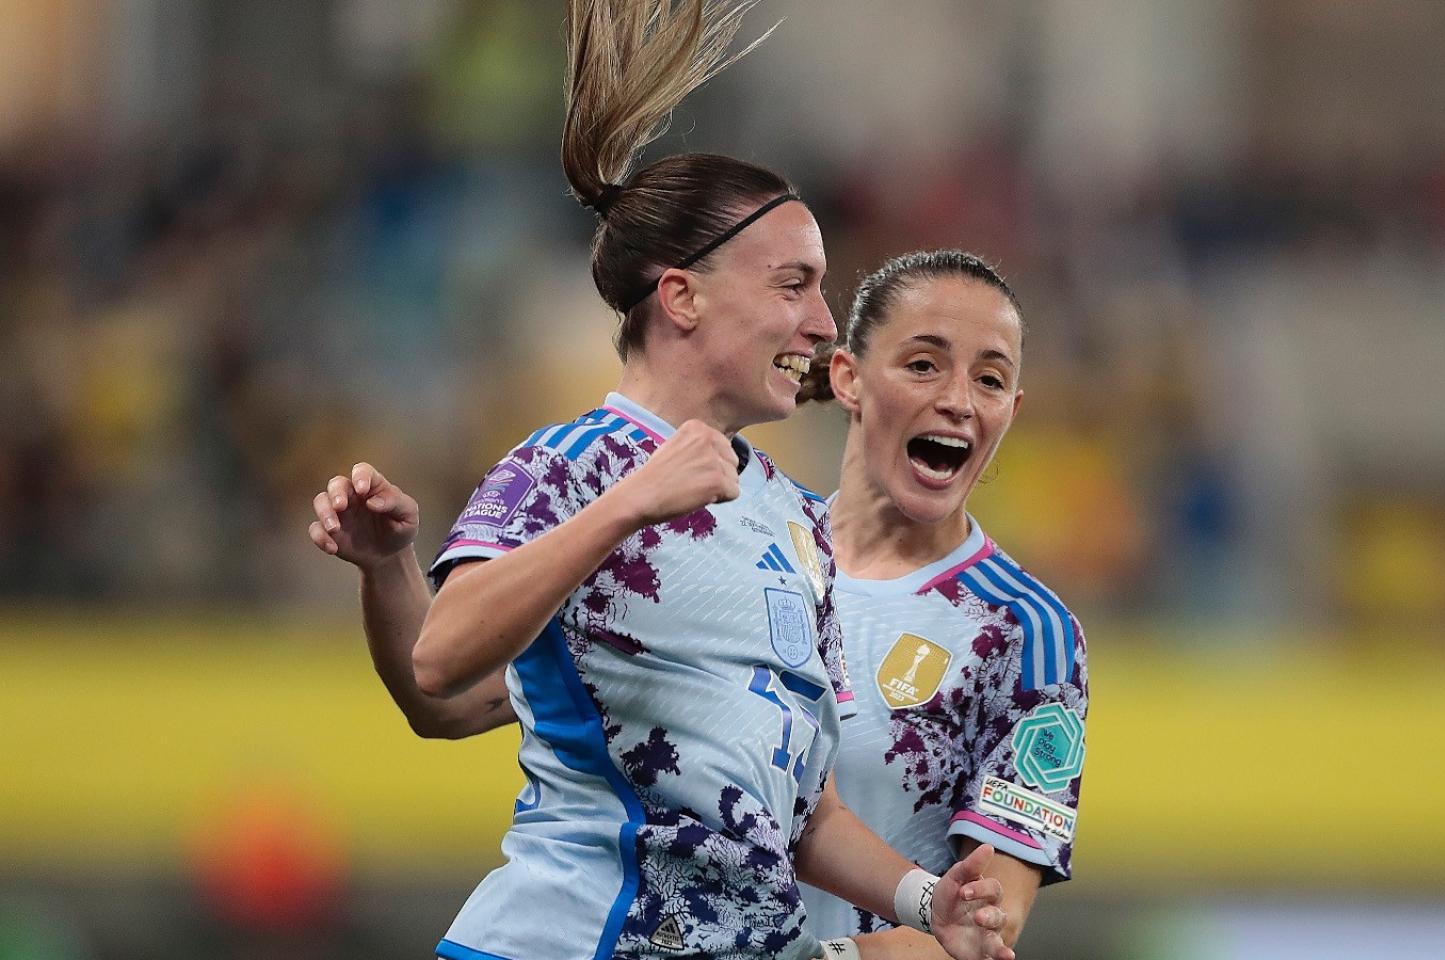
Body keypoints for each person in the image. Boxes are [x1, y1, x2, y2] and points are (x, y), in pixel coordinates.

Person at [300, 2, 1013, 959]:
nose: (821, 322)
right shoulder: (573, 465)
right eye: (792, 284)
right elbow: (439, 674)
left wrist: (929, 902)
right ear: (682, 296)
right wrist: (409, 565)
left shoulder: (798, 521)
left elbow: (798, 813)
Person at [313, 252, 1089, 959]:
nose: (958, 401)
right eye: (923, 365)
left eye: (989, 380)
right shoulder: (730, 545)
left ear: (1012, 410)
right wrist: (387, 573)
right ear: (848, 377)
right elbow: (450, 700)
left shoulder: (1024, 635)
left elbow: (986, 925)